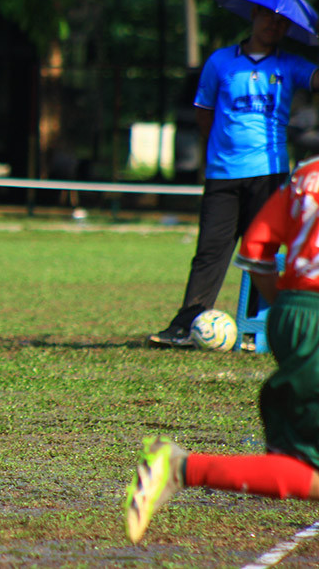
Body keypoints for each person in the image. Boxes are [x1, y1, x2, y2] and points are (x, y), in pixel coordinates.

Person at [126, 154, 319, 543]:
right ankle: (179, 468)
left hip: (293, 314)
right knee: (307, 466)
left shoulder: (307, 173)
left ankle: (181, 468)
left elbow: (255, 248)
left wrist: (286, 306)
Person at [149, 5, 319, 347]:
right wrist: (219, 151)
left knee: (262, 251)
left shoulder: (289, 64)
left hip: (269, 172)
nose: (274, 25)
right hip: (223, 172)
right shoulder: (220, 61)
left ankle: (257, 330)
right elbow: (204, 112)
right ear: (254, 16)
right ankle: (187, 324)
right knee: (210, 251)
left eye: (282, 22)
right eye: (268, 17)